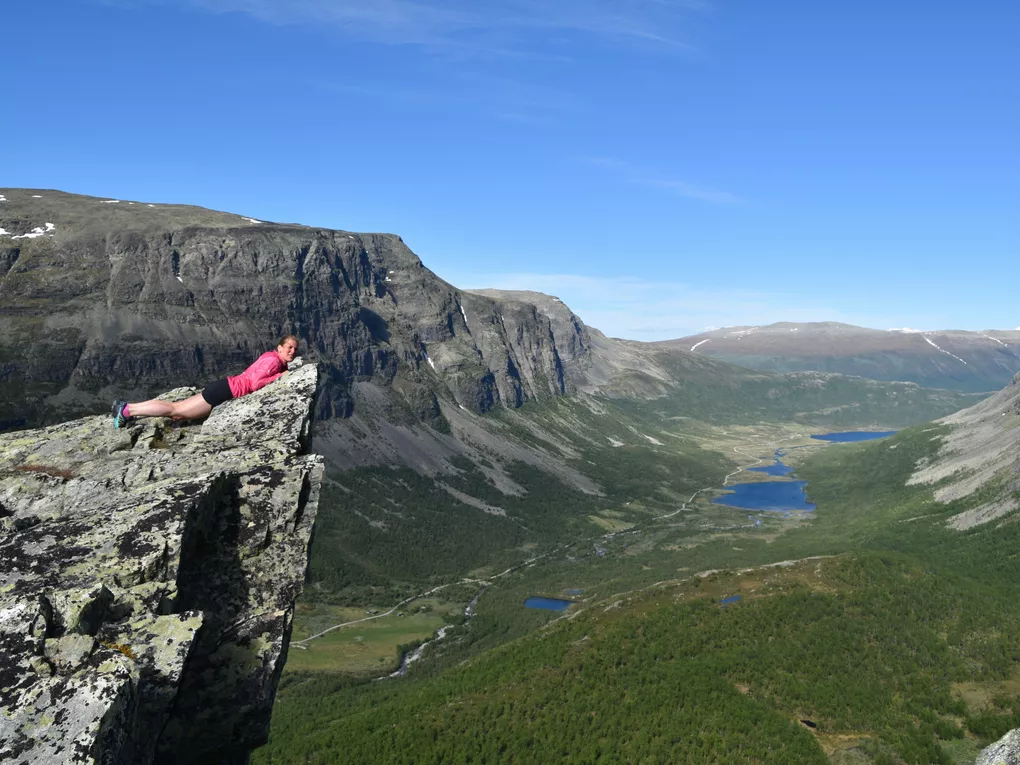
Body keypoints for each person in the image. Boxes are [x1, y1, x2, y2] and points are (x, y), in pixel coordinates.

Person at [111, 335, 300, 428]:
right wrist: (279, 376)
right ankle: (128, 411)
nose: (292, 351)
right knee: (176, 412)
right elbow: (256, 383)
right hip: (226, 391)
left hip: (224, 387)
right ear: (280, 348)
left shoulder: (271, 357)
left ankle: (128, 407)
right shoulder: (274, 362)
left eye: (295, 349)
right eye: (289, 347)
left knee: (176, 408)